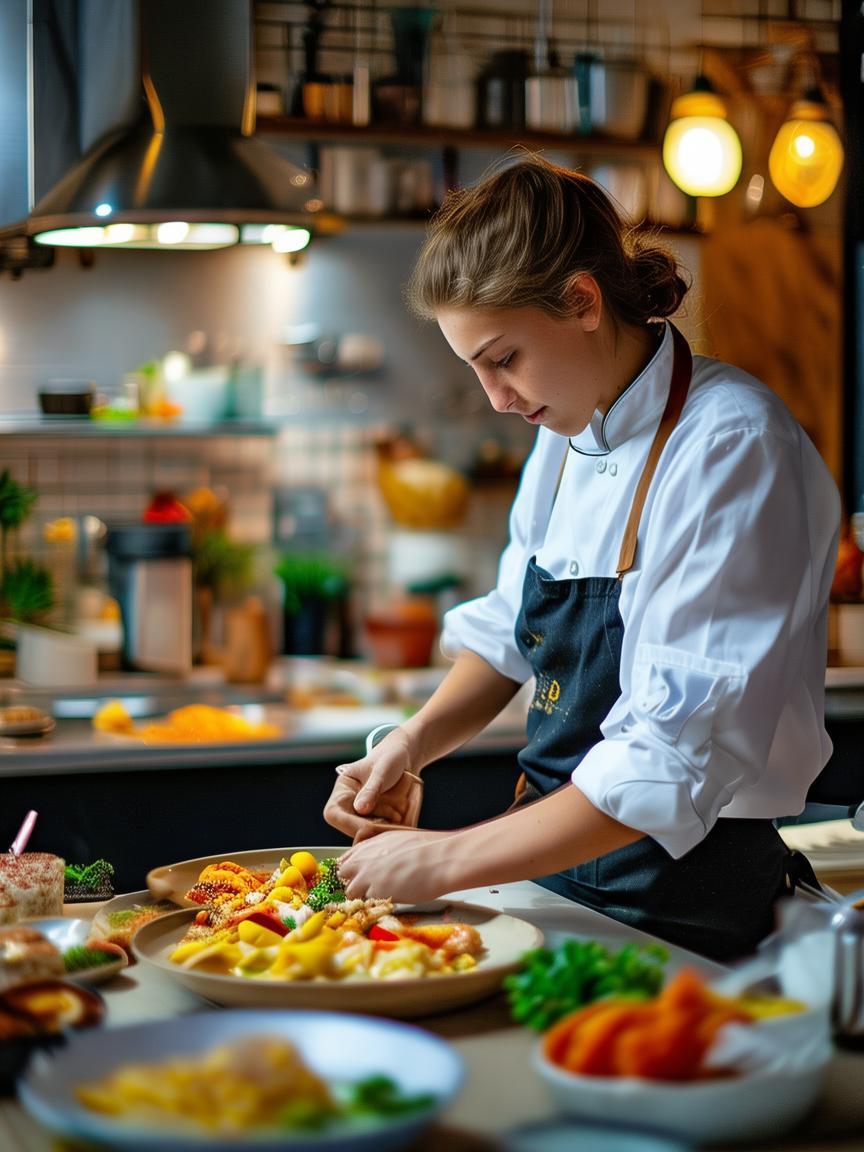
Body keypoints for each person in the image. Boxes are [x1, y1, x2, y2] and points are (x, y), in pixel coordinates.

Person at [324, 154, 841, 962]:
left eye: (504, 358)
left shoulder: (731, 445)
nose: (497, 398)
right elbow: (507, 632)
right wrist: (412, 741)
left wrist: (447, 858)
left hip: (677, 903)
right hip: (549, 877)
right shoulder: (566, 436)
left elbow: (670, 755)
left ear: (581, 300)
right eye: (475, 369)